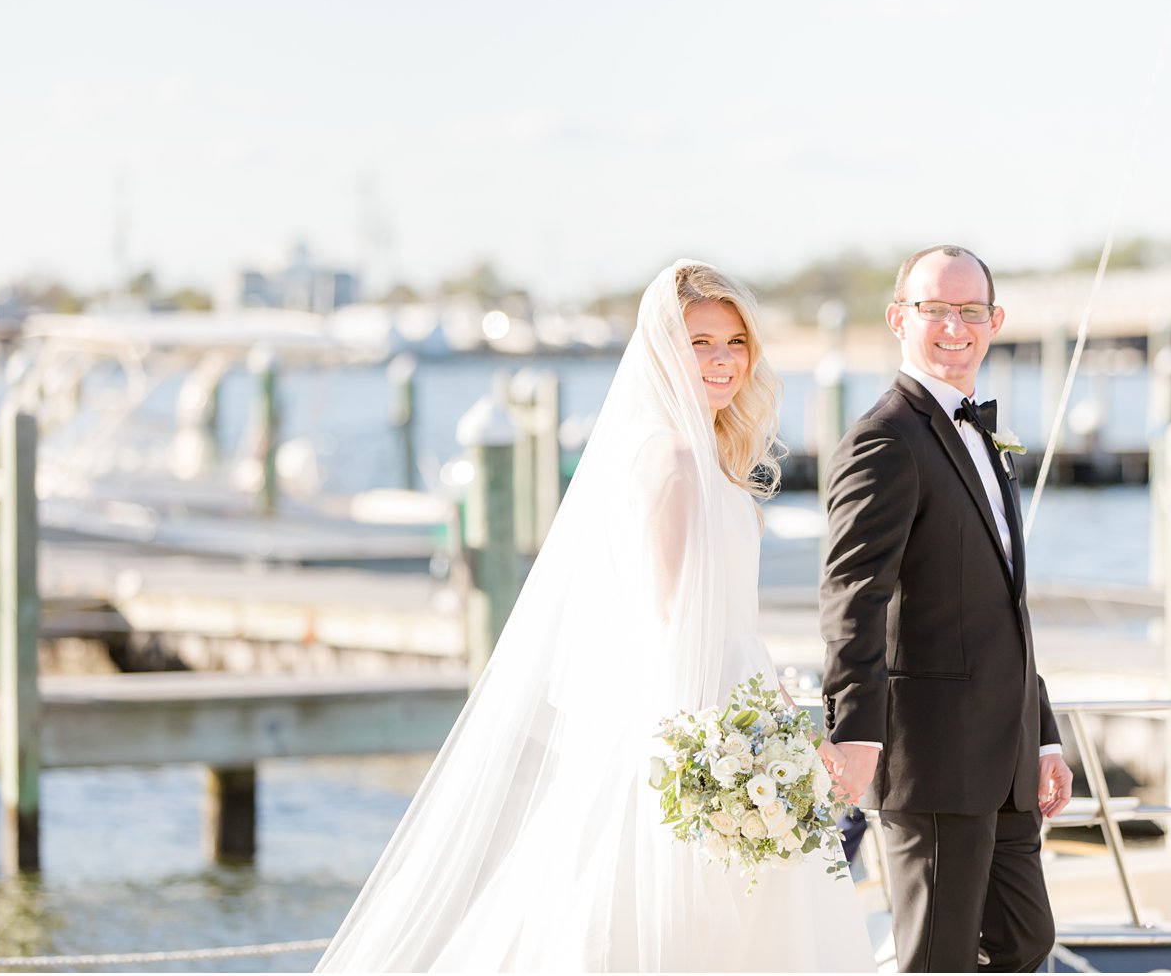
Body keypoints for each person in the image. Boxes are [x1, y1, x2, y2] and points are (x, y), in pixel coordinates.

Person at [318, 260, 873, 972]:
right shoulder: (671, 459)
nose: (723, 360)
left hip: (733, 706)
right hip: (700, 731)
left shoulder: (700, 453)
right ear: (661, 351)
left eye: (735, 342)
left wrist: (785, 728)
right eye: (700, 341)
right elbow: (678, 628)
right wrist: (739, 757)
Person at [818, 244, 1073, 973]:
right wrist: (856, 730)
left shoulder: (985, 436)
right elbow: (852, 595)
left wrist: (1045, 733)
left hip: (1007, 756)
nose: (954, 326)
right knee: (937, 961)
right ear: (901, 318)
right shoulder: (883, 439)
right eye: (935, 308)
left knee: (1025, 942)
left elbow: (1005, 607)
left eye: (969, 310)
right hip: (931, 757)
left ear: (994, 321)